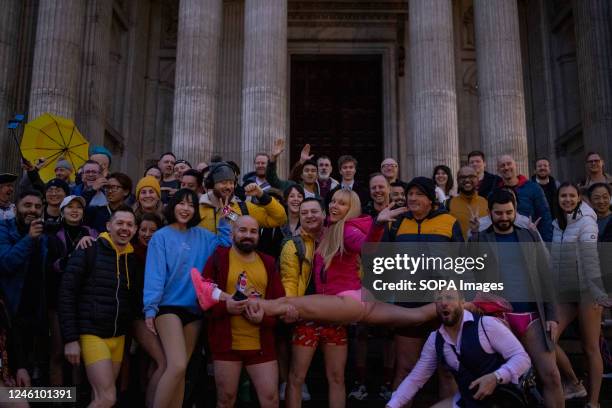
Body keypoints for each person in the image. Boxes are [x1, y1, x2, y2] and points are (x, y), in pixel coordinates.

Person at [469, 189, 564, 407]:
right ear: (490, 213)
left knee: (551, 376)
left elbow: (545, 275)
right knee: (503, 383)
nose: (504, 218)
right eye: (499, 213)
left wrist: (552, 316)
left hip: (532, 316)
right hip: (498, 318)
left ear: (515, 211)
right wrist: (473, 236)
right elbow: (470, 268)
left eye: (508, 213)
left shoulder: (528, 234)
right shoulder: (482, 237)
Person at [143, 189, 232, 408]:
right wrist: (150, 308)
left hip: (194, 311)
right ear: (173, 206)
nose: (186, 208)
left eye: (191, 205)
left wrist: (224, 216)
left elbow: (226, 245)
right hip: (168, 308)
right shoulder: (161, 236)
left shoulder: (203, 236)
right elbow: (155, 274)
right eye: (181, 204)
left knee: (180, 371)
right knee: (177, 365)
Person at [383, 177, 462, 404]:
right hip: (406, 303)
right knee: (406, 368)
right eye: (410, 194)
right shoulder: (396, 223)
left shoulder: (449, 221)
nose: (412, 198)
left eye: (419, 194)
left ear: (431, 199)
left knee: (446, 369)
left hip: (443, 305)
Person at [388, 290, 531, 408]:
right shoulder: (436, 339)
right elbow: (415, 379)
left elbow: (522, 359)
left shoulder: (486, 325)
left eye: (449, 297)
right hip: (469, 401)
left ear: (462, 302)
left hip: (502, 401)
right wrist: (392, 405)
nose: (444, 303)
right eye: (439, 298)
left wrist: (496, 376)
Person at [58, 206, 138, 408]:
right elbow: (66, 294)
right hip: (92, 333)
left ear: (135, 229)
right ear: (108, 225)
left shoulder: (133, 259)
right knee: (107, 397)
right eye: (119, 223)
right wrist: (70, 339)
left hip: (118, 337)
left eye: (129, 224)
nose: (124, 228)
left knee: (100, 398)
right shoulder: (89, 249)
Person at [202, 216, 286, 408]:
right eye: (242, 230)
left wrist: (264, 319)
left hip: (261, 344)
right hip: (227, 345)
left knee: (271, 399)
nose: (248, 235)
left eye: (253, 231)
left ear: (258, 235)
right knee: (226, 400)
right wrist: (226, 307)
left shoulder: (268, 262)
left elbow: (279, 304)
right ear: (233, 233)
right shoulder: (219, 258)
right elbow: (203, 299)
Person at [550, 183, 610, 407]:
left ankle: (593, 403)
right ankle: (574, 383)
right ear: (558, 199)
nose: (567, 199)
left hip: (587, 291)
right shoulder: (558, 223)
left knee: (590, 347)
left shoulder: (586, 221)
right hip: (566, 291)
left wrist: (596, 291)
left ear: (578, 198)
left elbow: (589, 257)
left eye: (571, 196)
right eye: (563, 196)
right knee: (548, 339)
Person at [46, 195, 97, 386]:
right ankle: (56, 401)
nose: (75, 210)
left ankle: (77, 401)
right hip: (58, 300)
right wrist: (75, 254)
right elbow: (51, 267)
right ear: (62, 211)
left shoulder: (92, 233)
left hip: (84, 299)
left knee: (80, 355)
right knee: (58, 352)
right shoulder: (52, 235)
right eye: (70, 207)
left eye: (79, 207)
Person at [0, 190, 48, 385]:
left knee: (33, 375)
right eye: (27, 205)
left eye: (37, 207)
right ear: (16, 206)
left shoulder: (44, 234)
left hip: (36, 313)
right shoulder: (4, 229)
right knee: (12, 373)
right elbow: (6, 263)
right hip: (10, 313)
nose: (33, 210)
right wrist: (29, 239)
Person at [280, 198, 325, 407]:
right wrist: (291, 306)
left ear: (324, 214)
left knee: (335, 377)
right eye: (304, 212)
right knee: (297, 375)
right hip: (304, 312)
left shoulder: (334, 239)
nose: (309, 216)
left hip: (332, 311)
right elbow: (288, 279)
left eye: (314, 211)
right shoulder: (293, 243)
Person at [131, 212, 165, 408]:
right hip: (137, 316)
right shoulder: (130, 253)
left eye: (153, 230)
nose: (147, 234)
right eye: (143, 230)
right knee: (161, 361)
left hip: (159, 315)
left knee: (151, 361)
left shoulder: (163, 252)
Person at [198, 161, 286, 234]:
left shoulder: (244, 208)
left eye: (231, 183)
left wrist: (261, 195)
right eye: (223, 182)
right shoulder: (197, 208)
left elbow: (280, 219)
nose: (228, 187)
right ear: (211, 183)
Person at [495, 154, 553, 241]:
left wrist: (546, 245)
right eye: (502, 165)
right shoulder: (495, 192)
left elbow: (545, 218)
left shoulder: (534, 188)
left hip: (530, 240)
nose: (506, 167)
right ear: (498, 170)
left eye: (509, 164)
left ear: (516, 166)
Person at [446, 166, 489, 240]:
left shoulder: (486, 202)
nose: (467, 180)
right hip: (458, 250)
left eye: (471, 176)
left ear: (477, 179)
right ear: (457, 180)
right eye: (462, 177)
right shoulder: (448, 204)